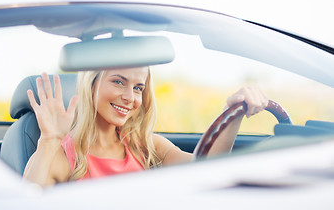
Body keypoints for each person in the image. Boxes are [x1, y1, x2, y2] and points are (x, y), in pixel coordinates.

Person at [23, 67, 268, 187]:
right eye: (119, 82)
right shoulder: (63, 155)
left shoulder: (146, 146)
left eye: (138, 88)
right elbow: (25, 203)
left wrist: (232, 113)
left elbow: (204, 167)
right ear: (91, 85)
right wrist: (50, 139)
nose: (130, 97)